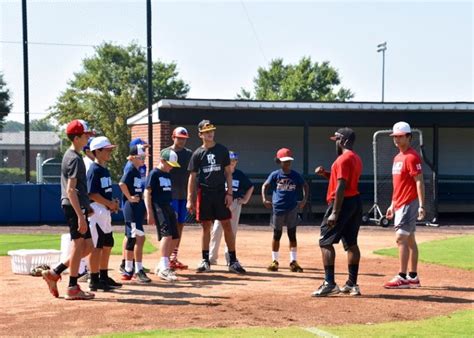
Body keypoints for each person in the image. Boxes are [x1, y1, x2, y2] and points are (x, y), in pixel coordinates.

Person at [42, 119, 95, 300]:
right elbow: (71, 190)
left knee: (88, 246)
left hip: (78, 206)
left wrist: (86, 208)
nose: (88, 138)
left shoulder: (74, 156)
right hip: (73, 206)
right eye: (86, 135)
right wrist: (80, 215)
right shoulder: (74, 158)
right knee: (79, 245)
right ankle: (72, 287)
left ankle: (55, 272)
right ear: (77, 137)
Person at [187, 120, 246, 274]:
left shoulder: (222, 150)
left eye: (212, 130)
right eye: (206, 131)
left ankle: (233, 261)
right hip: (204, 193)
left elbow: (228, 173)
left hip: (221, 192)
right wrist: (190, 199)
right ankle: (205, 260)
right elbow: (192, 178)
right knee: (206, 226)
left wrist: (229, 193)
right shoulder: (197, 153)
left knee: (226, 224)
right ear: (200, 134)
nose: (210, 133)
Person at [312, 128, 363, 297]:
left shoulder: (342, 159)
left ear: (344, 141)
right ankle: (352, 284)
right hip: (355, 201)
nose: (335, 142)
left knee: (325, 241)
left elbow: (341, 186)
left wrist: (335, 212)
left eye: (337, 139)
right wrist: (326, 174)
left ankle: (329, 283)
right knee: (351, 244)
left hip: (341, 203)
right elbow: (343, 181)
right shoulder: (355, 158)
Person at [383, 122, 425, 289]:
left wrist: (421, 205)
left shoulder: (412, 156)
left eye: (401, 136)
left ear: (409, 137)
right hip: (399, 203)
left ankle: (402, 276)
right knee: (410, 240)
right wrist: (392, 203)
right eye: (395, 136)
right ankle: (413, 277)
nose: (397, 139)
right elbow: (397, 184)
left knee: (401, 238)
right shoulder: (397, 158)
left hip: (409, 203)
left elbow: (419, 181)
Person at [261, 148, 308, 273]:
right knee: (277, 234)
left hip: (292, 208)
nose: (287, 164)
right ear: (279, 161)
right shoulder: (275, 174)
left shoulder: (295, 175)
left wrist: (304, 200)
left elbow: (305, 185)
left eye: (289, 161)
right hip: (278, 208)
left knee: (292, 234)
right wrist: (265, 199)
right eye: (284, 161)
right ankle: (274, 261)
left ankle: (293, 261)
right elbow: (265, 185)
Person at [87, 136, 121, 291]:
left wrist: (112, 203)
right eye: (107, 150)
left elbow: (104, 192)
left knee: (107, 244)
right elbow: (91, 194)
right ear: (97, 151)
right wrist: (109, 204)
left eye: (110, 149)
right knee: (97, 246)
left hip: (105, 211)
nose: (110, 152)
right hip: (96, 211)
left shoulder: (105, 169)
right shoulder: (94, 170)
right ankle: (94, 279)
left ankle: (103, 276)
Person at [209, 151, 254, 265]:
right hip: (222, 204)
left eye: (234, 161)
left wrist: (245, 199)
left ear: (236, 162)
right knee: (216, 230)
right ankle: (211, 258)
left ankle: (229, 258)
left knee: (232, 232)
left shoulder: (239, 174)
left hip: (235, 203)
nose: (231, 163)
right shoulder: (221, 174)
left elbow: (250, 186)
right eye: (229, 161)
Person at [144, 149, 181, 282]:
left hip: (168, 207)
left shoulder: (168, 174)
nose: (171, 167)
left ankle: (162, 264)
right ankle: (165, 267)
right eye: (169, 164)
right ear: (162, 161)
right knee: (167, 235)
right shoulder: (154, 173)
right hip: (158, 207)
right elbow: (147, 192)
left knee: (175, 237)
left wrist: (172, 209)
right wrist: (149, 211)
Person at [119, 144, 151, 283]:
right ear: (132, 158)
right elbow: (121, 184)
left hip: (137, 208)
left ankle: (131, 269)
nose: (143, 159)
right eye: (141, 157)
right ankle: (131, 269)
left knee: (137, 237)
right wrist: (130, 197)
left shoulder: (137, 170)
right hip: (130, 208)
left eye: (144, 157)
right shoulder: (131, 169)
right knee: (134, 238)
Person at [165, 127, 193, 270]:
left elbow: (192, 176)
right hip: (171, 195)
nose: (182, 141)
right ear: (173, 137)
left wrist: (191, 196)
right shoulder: (167, 153)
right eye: (179, 138)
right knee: (171, 226)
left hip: (183, 194)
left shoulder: (189, 154)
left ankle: (173, 257)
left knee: (180, 225)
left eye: (184, 138)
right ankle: (166, 258)